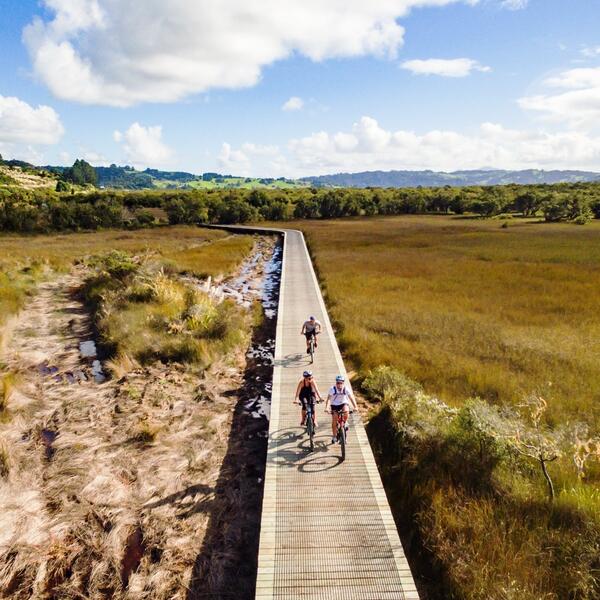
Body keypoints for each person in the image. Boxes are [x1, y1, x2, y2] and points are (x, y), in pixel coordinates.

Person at [325, 375, 358, 445]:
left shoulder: (346, 389)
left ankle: (345, 422)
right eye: (338, 383)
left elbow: (351, 398)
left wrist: (355, 406)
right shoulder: (332, 389)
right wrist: (327, 408)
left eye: (341, 383)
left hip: (343, 403)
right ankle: (334, 436)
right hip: (334, 405)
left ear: (343, 383)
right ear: (336, 383)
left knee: (346, 411)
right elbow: (328, 399)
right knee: (334, 419)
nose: (339, 385)